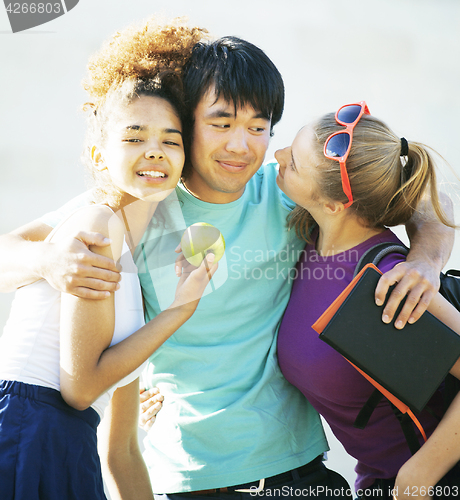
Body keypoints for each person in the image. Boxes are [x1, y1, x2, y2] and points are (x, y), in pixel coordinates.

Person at [0, 36, 454, 498]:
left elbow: (413, 193)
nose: (241, 146)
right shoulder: (139, 204)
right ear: (188, 122)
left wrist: (426, 259)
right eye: (222, 123)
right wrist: (48, 259)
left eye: (259, 127)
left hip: (301, 476)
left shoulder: (288, 194)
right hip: (186, 479)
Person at [0, 18, 215, 500]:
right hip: (27, 427)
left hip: (70, 444)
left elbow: (121, 452)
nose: (154, 152)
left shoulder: (143, 261)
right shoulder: (96, 224)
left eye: (171, 140)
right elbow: (80, 388)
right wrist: (181, 311)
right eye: (135, 137)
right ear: (99, 155)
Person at [275, 101, 460, 499]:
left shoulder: (391, 283)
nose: (277, 156)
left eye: (292, 163)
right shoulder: (310, 233)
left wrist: (421, 473)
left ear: (334, 204)